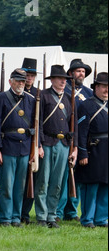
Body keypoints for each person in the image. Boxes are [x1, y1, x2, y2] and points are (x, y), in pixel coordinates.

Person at [34, 65, 77, 228]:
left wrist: (75, 148)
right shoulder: (43, 96)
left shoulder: (69, 98)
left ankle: (52, 215)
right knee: (43, 182)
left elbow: (74, 127)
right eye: (60, 78)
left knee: (57, 183)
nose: (63, 81)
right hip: (47, 143)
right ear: (52, 79)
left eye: (65, 79)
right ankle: (41, 216)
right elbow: (38, 123)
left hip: (64, 145)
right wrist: (38, 145)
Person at [0, 69, 38, 227]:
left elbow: (35, 125)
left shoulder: (31, 100)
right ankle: (5, 217)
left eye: (23, 81)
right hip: (7, 146)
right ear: (10, 81)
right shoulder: (1, 98)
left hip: (25, 147)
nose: (21, 83)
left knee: (20, 185)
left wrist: (35, 147)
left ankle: (16, 217)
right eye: (18, 80)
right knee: (7, 185)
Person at [56, 58, 94, 222]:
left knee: (77, 178)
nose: (81, 74)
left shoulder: (89, 93)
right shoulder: (63, 91)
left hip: (83, 139)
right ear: (71, 73)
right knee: (63, 176)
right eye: (78, 71)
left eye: (83, 71)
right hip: (65, 137)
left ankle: (72, 211)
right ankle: (58, 211)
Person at [75, 72, 108, 228]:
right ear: (96, 88)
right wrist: (82, 152)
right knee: (91, 186)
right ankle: (87, 219)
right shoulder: (86, 105)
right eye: (103, 86)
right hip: (93, 150)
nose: (106, 89)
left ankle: (101, 218)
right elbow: (81, 132)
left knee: (105, 186)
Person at [20, 57, 39, 224]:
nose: (29, 78)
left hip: (33, 142)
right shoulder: (14, 92)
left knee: (31, 180)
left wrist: (38, 145)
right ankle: (15, 212)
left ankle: (25, 214)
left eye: (32, 75)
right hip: (18, 142)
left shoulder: (39, 95)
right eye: (26, 74)